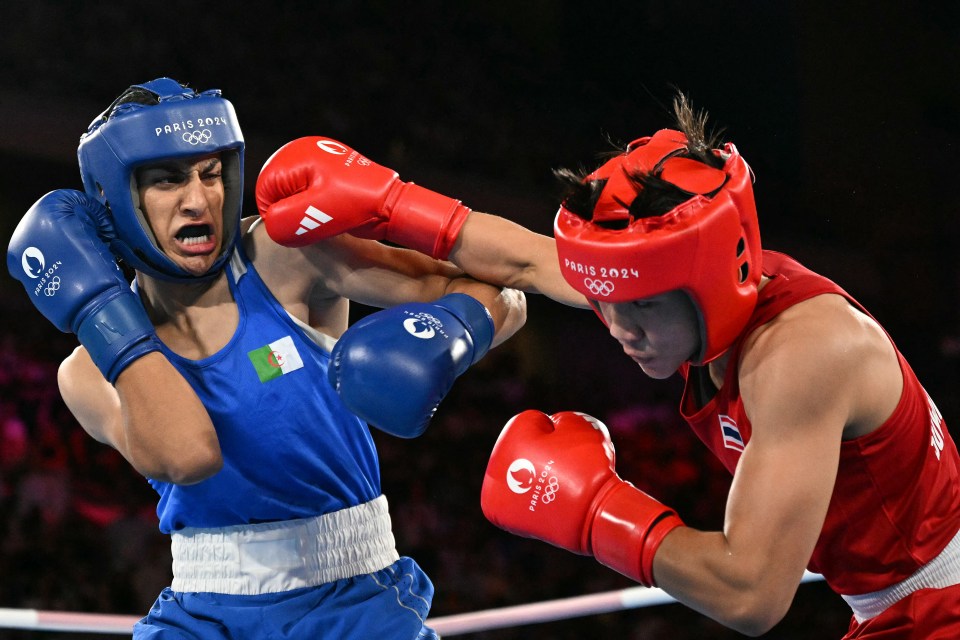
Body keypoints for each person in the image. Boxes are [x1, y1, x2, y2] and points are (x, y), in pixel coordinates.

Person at [252, 94, 960, 638]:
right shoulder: (665, 298)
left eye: (640, 308)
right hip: (890, 608)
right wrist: (390, 200)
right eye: (604, 298)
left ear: (713, 281)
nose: (618, 327)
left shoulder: (802, 355)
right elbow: (526, 259)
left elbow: (752, 595)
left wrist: (597, 512)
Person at [6, 77, 526, 639]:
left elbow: (496, 291)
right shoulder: (85, 373)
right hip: (203, 608)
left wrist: (450, 337)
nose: (199, 199)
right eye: (167, 179)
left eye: (211, 173)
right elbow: (187, 454)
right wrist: (100, 311)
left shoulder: (283, 258)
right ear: (115, 201)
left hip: (351, 590)